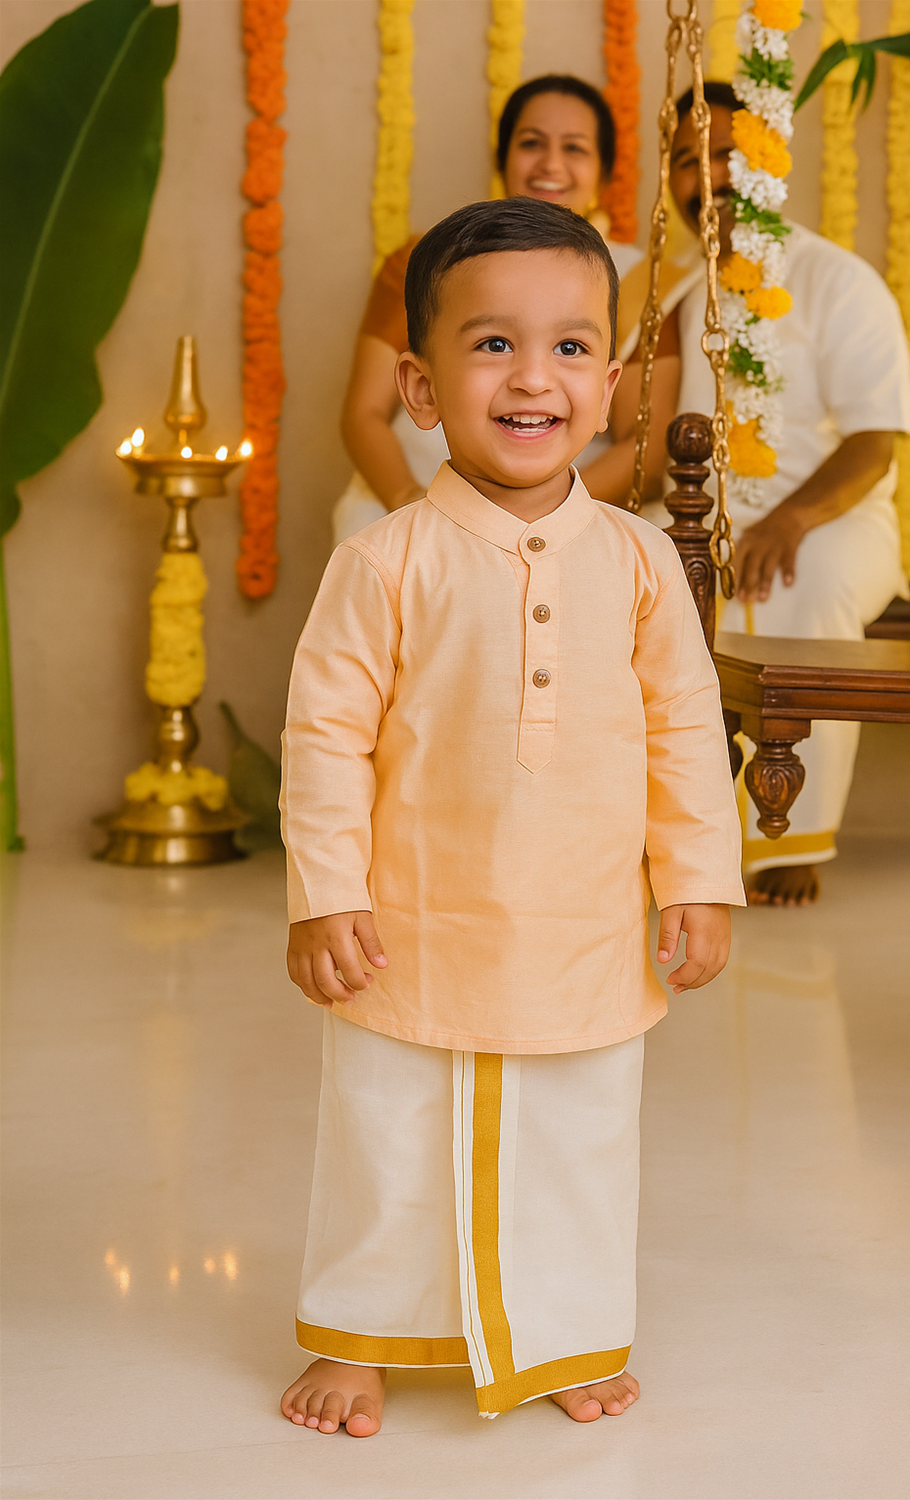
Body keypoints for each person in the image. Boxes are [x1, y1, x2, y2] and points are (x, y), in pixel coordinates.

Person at [279, 197, 744, 1434]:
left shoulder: (640, 565)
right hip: (410, 920)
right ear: (420, 388)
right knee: (386, 1125)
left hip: (583, 923)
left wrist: (700, 877)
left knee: (580, 1137)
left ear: (612, 386)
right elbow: (322, 740)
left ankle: (562, 1335)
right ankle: (361, 1334)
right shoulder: (386, 562)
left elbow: (683, 731)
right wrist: (325, 892)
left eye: (571, 347)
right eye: (491, 346)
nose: (533, 377)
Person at [642, 83, 910, 907]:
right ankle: (665, 838)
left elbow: (877, 439)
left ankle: (787, 838)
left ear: (766, 161)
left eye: (725, 152)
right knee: (633, 572)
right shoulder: (685, 298)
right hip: (705, 519)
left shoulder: (840, 280)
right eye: (687, 161)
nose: (707, 176)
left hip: (837, 520)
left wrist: (792, 517)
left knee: (809, 572)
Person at [334, 74, 698, 544]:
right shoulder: (426, 263)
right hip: (412, 501)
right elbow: (363, 413)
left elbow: (646, 450)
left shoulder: (638, 281)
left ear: (605, 175)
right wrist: (416, 506)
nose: (551, 163)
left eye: (575, 149)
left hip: (566, 519)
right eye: (531, 143)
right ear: (503, 158)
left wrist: (534, 518)